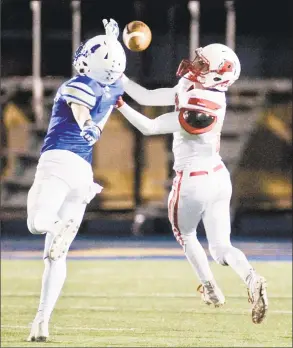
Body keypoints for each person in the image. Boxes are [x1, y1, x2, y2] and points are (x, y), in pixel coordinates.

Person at [116, 43, 268, 324]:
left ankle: (210, 289)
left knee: (186, 234)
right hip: (218, 177)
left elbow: (149, 127)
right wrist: (118, 75)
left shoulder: (204, 107)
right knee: (222, 248)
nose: (194, 65)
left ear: (217, 75)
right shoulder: (194, 87)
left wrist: (120, 104)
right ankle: (251, 277)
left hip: (192, 180)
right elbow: (147, 95)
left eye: (202, 64)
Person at [27, 19, 125, 342]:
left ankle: (57, 227)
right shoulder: (113, 89)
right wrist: (113, 42)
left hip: (58, 161)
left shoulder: (77, 83)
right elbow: (111, 78)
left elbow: (81, 107)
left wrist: (87, 125)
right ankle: (41, 321)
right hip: (83, 174)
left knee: (37, 221)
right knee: (56, 257)